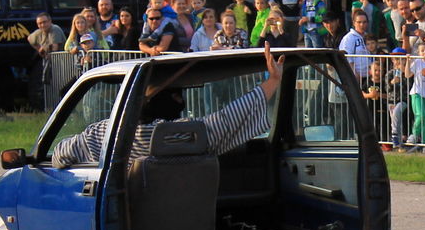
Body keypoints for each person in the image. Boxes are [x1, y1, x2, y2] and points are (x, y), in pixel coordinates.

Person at [54, 44, 284, 168]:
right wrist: (272, 81)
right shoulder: (186, 135)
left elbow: (59, 155)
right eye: (177, 96)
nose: (182, 102)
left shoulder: (103, 134)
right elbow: (227, 119)